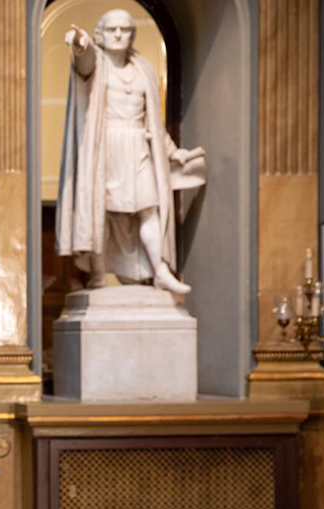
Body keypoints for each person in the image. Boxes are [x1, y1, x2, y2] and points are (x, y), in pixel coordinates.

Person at [56, 9, 206, 295]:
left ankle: (160, 270)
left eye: (124, 29)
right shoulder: (97, 65)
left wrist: (172, 152)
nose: (118, 34)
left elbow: (154, 121)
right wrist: (80, 44)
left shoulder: (143, 70)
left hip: (138, 146)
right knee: (100, 210)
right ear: (100, 34)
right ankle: (98, 275)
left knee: (150, 208)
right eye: (111, 29)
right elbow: (83, 62)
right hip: (106, 149)